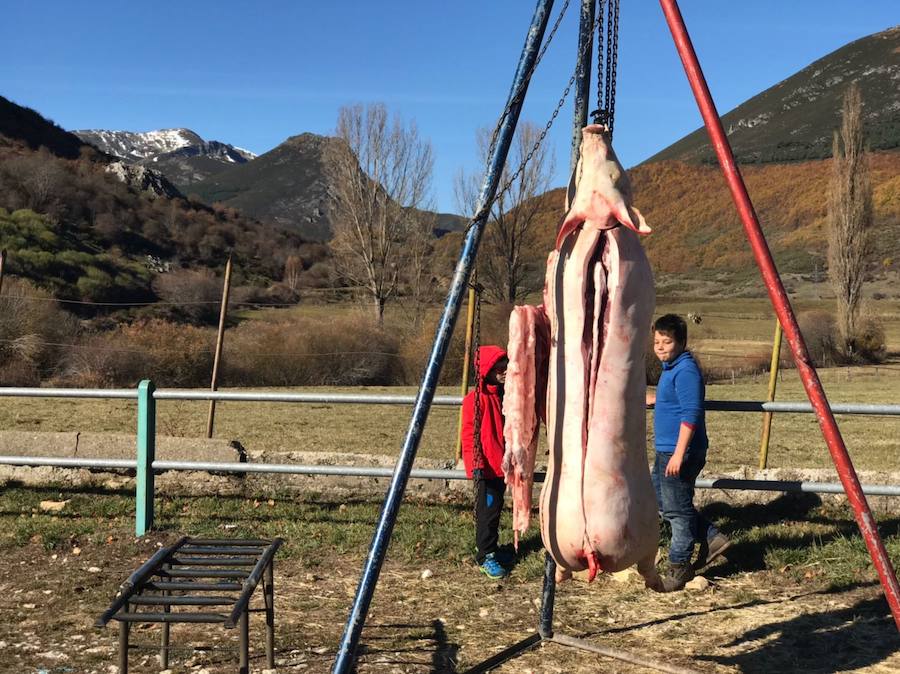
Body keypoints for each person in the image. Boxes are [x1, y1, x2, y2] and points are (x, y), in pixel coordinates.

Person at [647, 314, 732, 591]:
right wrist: (653, 400)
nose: (660, 347)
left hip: (678, 452)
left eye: (667, 342)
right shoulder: (670, 368)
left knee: (677, 513)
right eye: (657, 341)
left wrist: (679, 453)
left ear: (682, 342)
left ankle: (679, 566)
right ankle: (712, 536)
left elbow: (691, 412)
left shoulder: (686, 371)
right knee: (661, 501)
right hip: (666, 450)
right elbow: (673, 400)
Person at [461, 345, 511, 579]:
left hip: (501, 467)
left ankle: (491, 547)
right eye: (498, 367)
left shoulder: (506, 397)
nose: (504, 370)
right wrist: (475, 466)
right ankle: (485, 555)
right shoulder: (474, 400)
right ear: (486, 370)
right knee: (487, 513)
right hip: (487, 469)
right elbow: (469, 434)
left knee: (497, 509)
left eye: (506, 365)